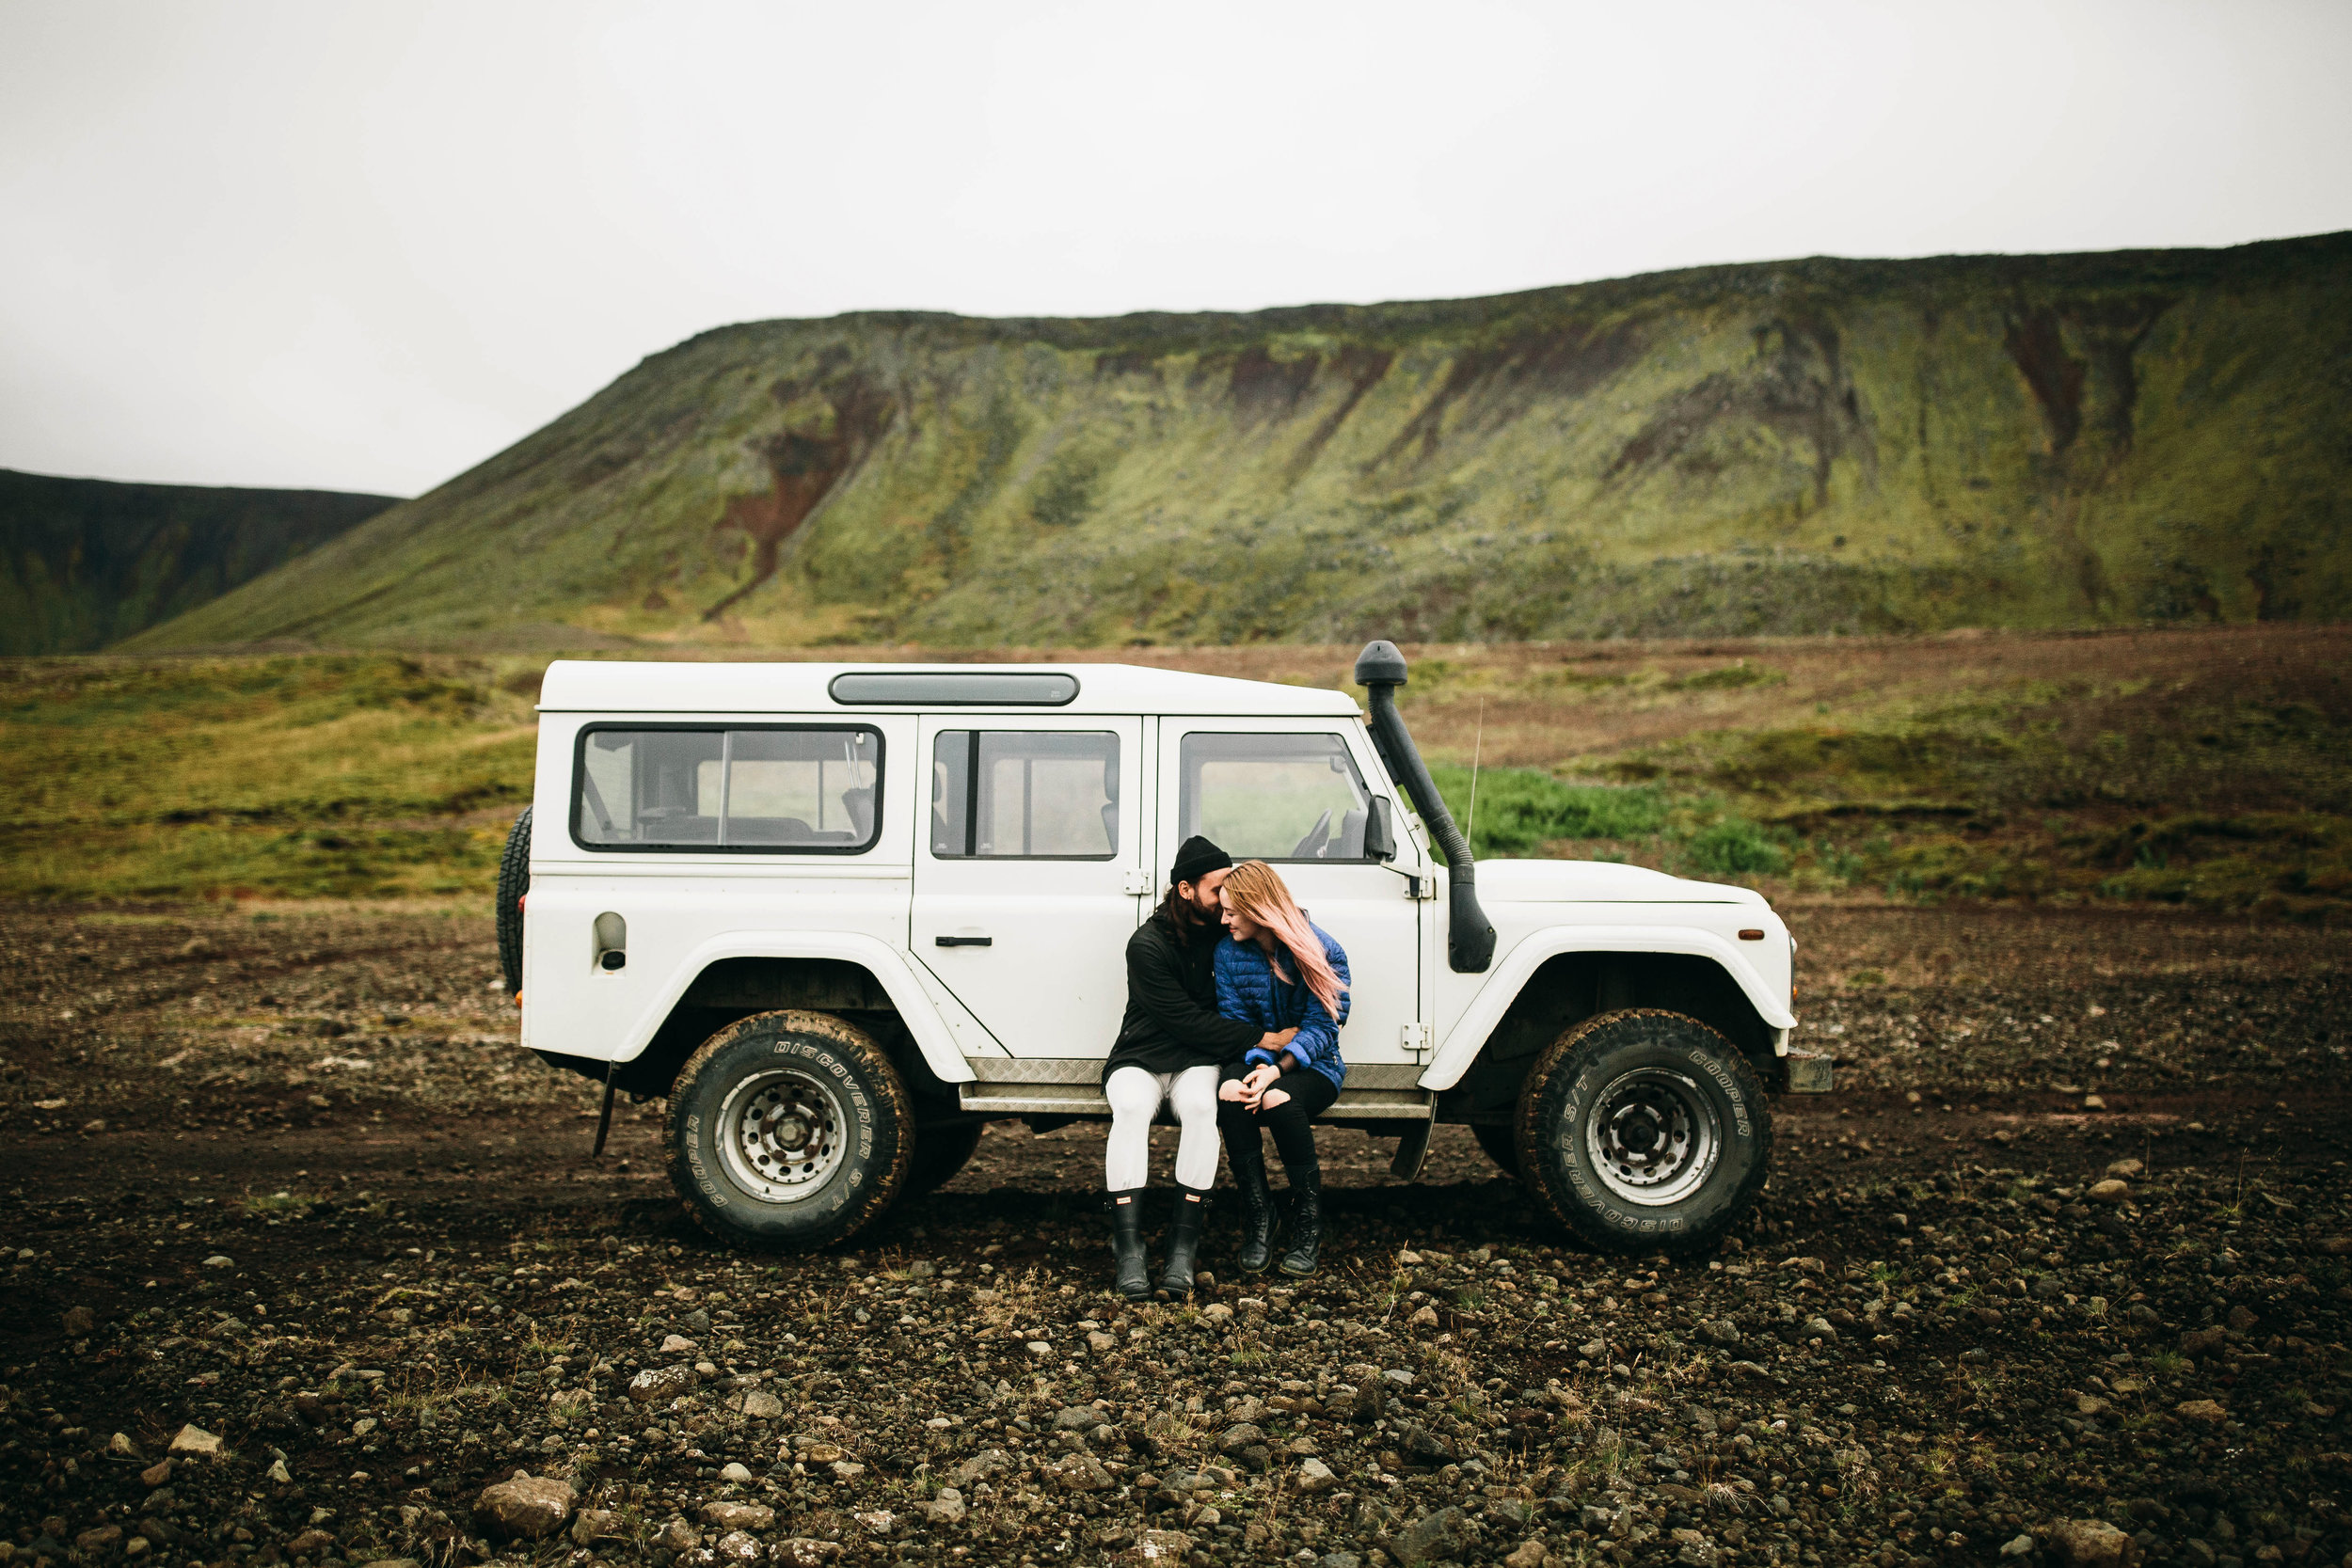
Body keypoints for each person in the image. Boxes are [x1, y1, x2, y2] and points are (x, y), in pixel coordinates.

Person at [1100, 835, 1297, 1302]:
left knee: (1200, 1110)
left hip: (1196, 1063)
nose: (1226, 901)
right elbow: (1183, 1020)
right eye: (1217, 890)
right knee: (1129, 1108)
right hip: (1141, 1056)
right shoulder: (1146, 944)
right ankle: (1128, 1247)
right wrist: (1264, 1039)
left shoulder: (1226, 934)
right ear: (1186, 890)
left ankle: (1182, 1248)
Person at [1213, 860, 1350, 1277]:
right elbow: (1237, 1022)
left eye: (1232, 913)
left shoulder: (1321, 948)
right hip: (1259, 1054)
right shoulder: (1228, 952)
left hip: (1315, 1064)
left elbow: (1325, 1025)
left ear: (1257, 910)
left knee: (1278, 1100)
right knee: (1232, 1094)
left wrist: (1277, 1069)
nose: (1224, 921)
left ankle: (1307, 1224)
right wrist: (1260, 1064)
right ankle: (1260, 1215)